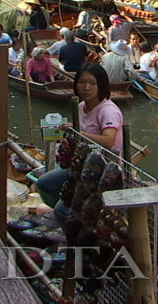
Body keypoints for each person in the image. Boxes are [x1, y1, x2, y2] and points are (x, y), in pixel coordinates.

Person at [35, 63, 123, 219]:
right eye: (82, 82)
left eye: (92, 83)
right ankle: (71, 217)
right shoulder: (82, 106)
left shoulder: (108, 111)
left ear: (101, 85)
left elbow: (109, 141)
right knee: (43, 184)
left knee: (61, 211)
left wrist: (79, 133)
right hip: (81, 165)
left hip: (101, 170)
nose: (86, 87)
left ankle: (71, 220)